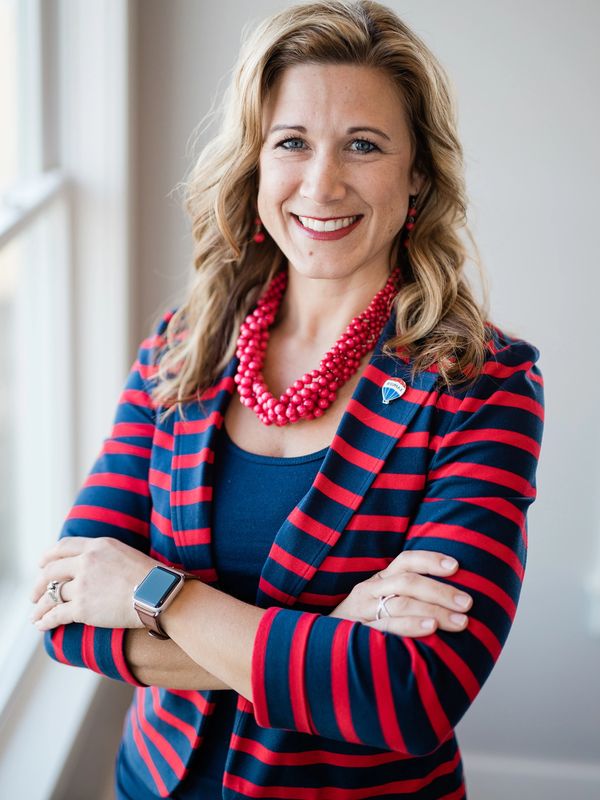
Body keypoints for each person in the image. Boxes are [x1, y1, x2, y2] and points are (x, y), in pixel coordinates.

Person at [31, 1, 544, 798]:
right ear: (256, 163)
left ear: (417, 174)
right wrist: (334, 640)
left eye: (363, 145)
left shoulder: (482, 385)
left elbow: (415, 696)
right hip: (148, 783)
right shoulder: (183, 347)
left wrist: (152, 593)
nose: (321, 181)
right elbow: (66, 617)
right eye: (292, 143)